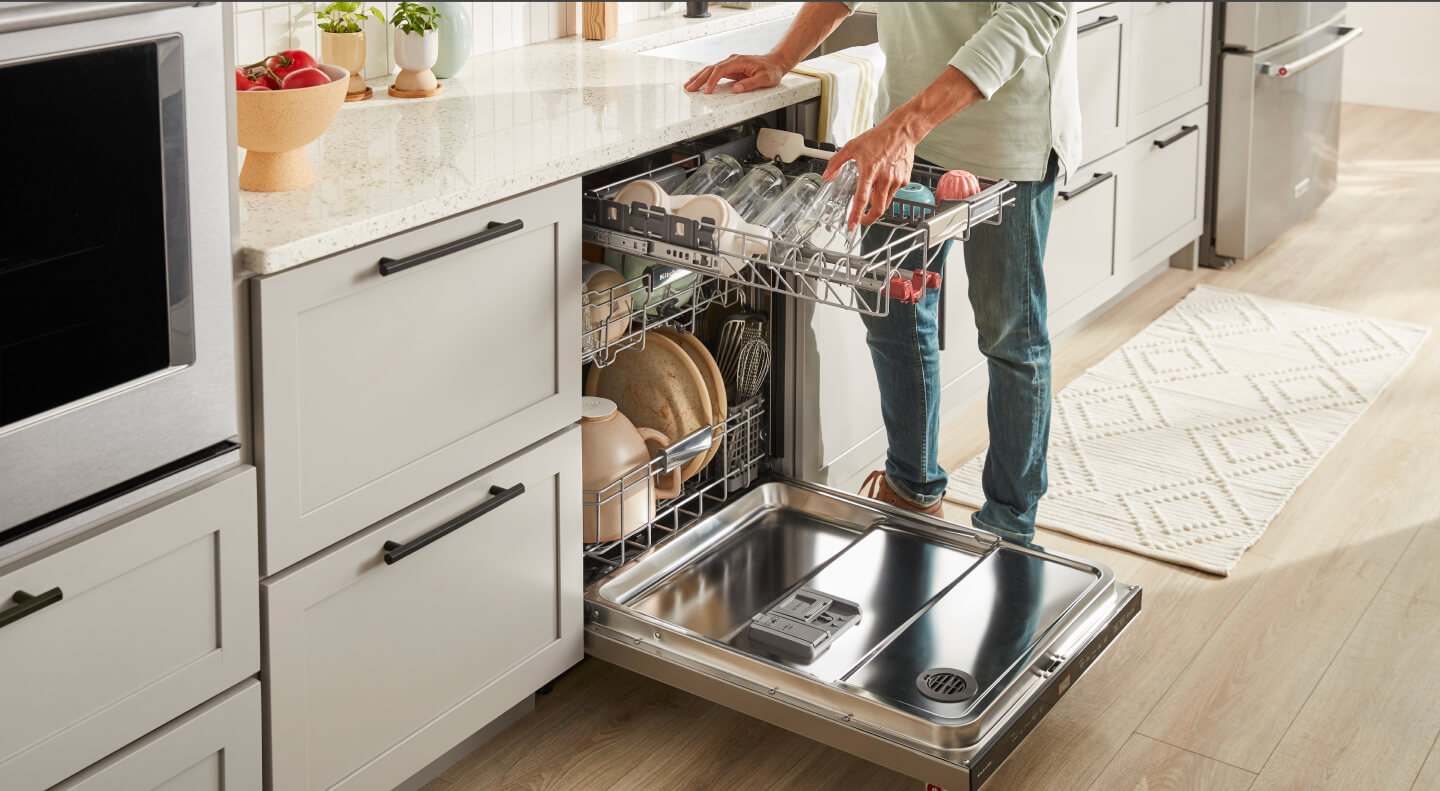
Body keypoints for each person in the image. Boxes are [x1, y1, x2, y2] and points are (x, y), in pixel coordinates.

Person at [685, 2, 1079, 544]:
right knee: (893, 316)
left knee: (1012, 337)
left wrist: (904, 127)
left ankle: (1009, 529)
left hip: (1003, 141)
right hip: (904, 136)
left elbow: (1031, 13)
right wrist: (782, 57)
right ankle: (912, 489)